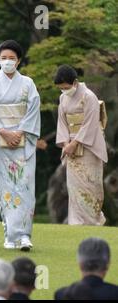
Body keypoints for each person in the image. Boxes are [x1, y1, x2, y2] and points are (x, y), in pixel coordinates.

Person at [0, 40, 40, 251]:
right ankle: (10, 234)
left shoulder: (28, 84)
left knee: (25, 187)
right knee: (6, 186)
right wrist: (3, 131)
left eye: (11, 58)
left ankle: (24, 235)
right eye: (4, 58)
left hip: (23, 141)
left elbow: (33, 110)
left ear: (19, 60)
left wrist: (20, 132)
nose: (7, 62)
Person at [55, 65, 107, 225]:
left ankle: (93, 220)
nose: (64, 90)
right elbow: (62, 123)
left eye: (66, 87)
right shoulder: (63, 98)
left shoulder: (88, 96)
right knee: (74, 187)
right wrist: (65, 144)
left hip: (89, 146)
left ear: (75, 82)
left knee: (91, 184)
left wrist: (74, 143)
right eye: (61, 88)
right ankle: (76, 221)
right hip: (70, 144)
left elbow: (91, 123)